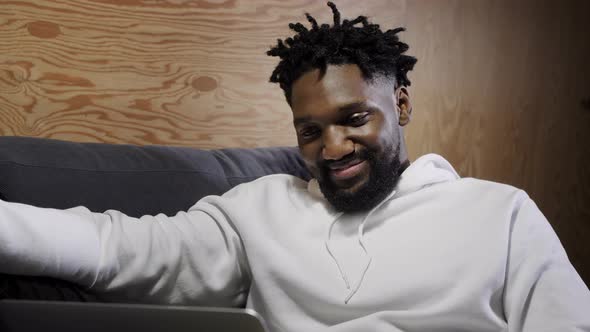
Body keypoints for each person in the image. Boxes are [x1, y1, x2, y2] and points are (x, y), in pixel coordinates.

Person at [1, 2, 589, 331]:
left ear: (401, 105)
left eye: (354, 119)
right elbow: (119, 247)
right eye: (311, 132)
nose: (333, 148)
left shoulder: (500, 213)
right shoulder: (261, 208)